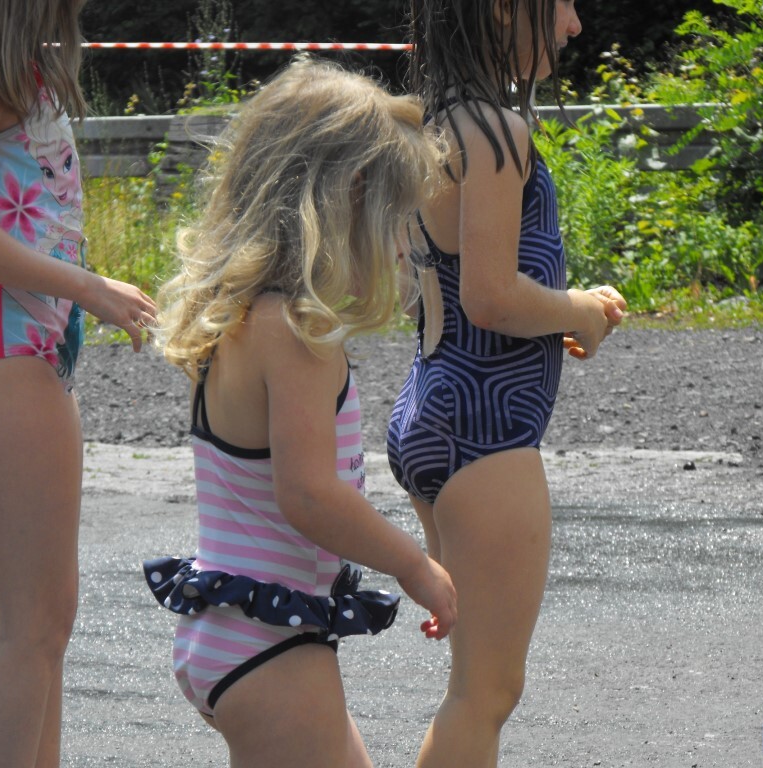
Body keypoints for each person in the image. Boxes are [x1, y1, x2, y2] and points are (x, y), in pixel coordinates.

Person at [142, 57, 457, 768]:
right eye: (396, 220)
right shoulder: (296, 331)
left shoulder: (240, 316)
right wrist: (414, 566)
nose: (402, 245)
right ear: (348, 199)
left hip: (234, 626)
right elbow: (309, 494)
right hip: (271, 643)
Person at [386, 1, 626, 765]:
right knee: (484, 694)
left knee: (473, 688)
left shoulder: (432, 127)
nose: (574, 24)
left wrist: (558, 311)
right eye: (561, 3)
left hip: (432, 409)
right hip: (484, 432)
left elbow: (426, 291)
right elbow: (489, 296)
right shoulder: (497, 132)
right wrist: (579, 311)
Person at [0, 0, 158, 766]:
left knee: (47, 625)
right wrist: (90, 287)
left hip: (26, 356)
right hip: (0, 352)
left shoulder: (16, 67)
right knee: (31, 627)